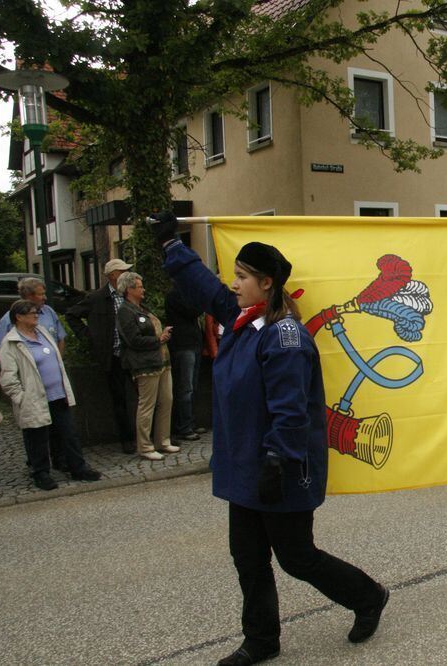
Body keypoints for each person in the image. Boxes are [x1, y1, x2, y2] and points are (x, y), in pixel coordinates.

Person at [151, 212, 389, 665]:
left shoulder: (283, 336)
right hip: (246, 467)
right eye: (234, 275)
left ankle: (368, 596)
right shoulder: (242, 320)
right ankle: (261, 641)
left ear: (267, 284)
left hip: (280, 467)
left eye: (241, 277)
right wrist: (170, 246)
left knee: (297, 557)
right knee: (248, 558)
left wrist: (277, 459)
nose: (232, 284)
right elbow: (205, 288)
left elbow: (291, 408)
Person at [0, 300, 102, 491]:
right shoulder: (11, 343)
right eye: (32, 313)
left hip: (58, 394)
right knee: (36, 438)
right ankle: (41, 473)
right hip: (34, 398)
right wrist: (21, 397)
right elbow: (7, 378)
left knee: (69, 434)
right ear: (19, 317)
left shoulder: (43, 332)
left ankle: (78, 467)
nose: (37, 315)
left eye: (37, 313)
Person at [66, 258, 137, 453]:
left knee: (141, 397)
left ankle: (142, 436)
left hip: (132, 355)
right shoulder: (97, 297)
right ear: (113, 275)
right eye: (123, 270)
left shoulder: (128, 293)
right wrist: (89, 336)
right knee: (120, 400)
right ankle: (126, 439)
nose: (126, 273)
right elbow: (72, 314)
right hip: (113, 356)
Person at [116, 272, 181, 461]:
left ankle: (163, 440)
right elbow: (133, 340)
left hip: (162, 361)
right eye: (139, 286)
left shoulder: (142, 308)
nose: (143, 289)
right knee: (147, 405)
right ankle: (145, 445)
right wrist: (158, 339)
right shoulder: (125, 311)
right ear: (129, 289)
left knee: (166, 400)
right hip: (145, 364)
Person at [166, 286, 207, 441]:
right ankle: (184, 426)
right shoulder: (175, 294)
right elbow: (193, 311)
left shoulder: (187, 292)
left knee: (192, 387)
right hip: (183, 345)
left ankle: (190, 422)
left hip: (194, 343)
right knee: (185, 388)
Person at [0, 277, 67, 355]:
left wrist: (58, 362)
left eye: (44, 294)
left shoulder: (49, 312)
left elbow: (60, 339)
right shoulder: (8, 319)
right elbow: (2, 351)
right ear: (28, 296)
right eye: (41, 294)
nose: (45, 298)